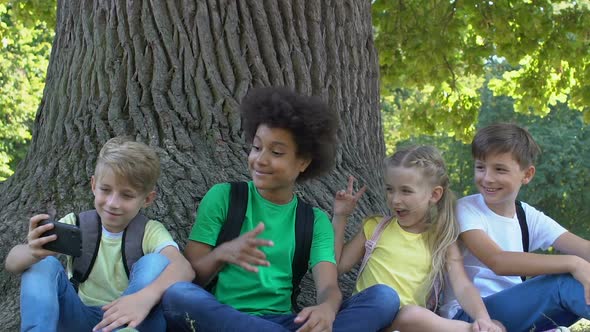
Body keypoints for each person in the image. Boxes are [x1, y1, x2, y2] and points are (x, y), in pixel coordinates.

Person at [161, 87, 398, 332]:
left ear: (303, 162)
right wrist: (223, 253)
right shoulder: (224, 196)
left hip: (285, 322)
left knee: (384, 297)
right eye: (256, 147)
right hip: (223, 318)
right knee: (178, 295)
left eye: (276, 152)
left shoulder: (314, 221)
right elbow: (190, 275)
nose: (260, 160)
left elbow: (328, 287)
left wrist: (327, 308)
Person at [4, 137, 195, 332]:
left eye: (127, 195)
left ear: (147, 199)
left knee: (156, 262)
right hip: (80, 318)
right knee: (42, 263)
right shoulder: (76, 224)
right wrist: (33, 252)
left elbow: (184, 268)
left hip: (131, 321)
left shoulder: (150, 231)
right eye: (105, 190)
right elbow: (11, 263)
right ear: (94, 186)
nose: (113, 203)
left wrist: (144, 298)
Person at [333, 145, 504, 332]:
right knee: (384, 296)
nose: (395, 200)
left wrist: (483, 318)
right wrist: (341, 216)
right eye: (390, 189)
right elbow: (337, 266)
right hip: (365, 317)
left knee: (412, 314)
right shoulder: (375, 227)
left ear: (434, 194)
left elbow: (462, 285)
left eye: (406, 191)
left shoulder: (441, 240)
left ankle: (480, 329)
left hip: (405, 325)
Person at [439, 123, 590, 331]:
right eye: (480, 167)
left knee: (581, 280)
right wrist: (574, 264)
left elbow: (583, 248)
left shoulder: (526, 216)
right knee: (564, 283)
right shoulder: (466, 209)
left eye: (499, 169)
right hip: (473, 315)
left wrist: (582, 263)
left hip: (515, 313)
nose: (487, 178)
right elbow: (498, 261)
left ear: (527, 175)